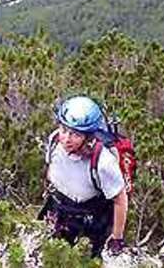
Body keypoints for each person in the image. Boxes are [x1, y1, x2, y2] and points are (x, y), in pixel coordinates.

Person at [38, 96, 128, 258]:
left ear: (87, 136)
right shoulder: (54, 141)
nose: (66, 139)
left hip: (90, 222)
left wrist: (117, 238)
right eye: (64, 130)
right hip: (58, 210)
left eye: (75, 134)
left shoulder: (103, 162)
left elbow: (120, 199)